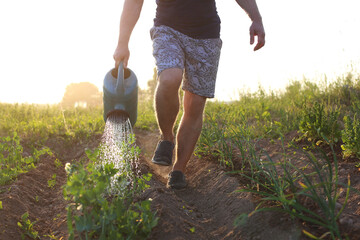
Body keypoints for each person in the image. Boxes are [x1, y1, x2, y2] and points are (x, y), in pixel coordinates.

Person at [113, 0, 265, 189]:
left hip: (206, 35)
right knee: (169, 78)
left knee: (195, 104)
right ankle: (166, 138)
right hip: (167, 28)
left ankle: (178, 170)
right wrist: (122, 43)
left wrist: (256, 19)